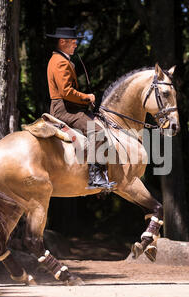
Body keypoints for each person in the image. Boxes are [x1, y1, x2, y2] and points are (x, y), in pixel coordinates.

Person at [46, 27, 115, 189]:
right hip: (63, 109)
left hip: (67, 106)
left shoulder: (61, 60)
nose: (76, 45)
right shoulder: (60, 62)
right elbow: (66, 92)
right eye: (73, 42)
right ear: (62, 42)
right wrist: (87, 98)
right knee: (97, 131)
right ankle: (95, 176)